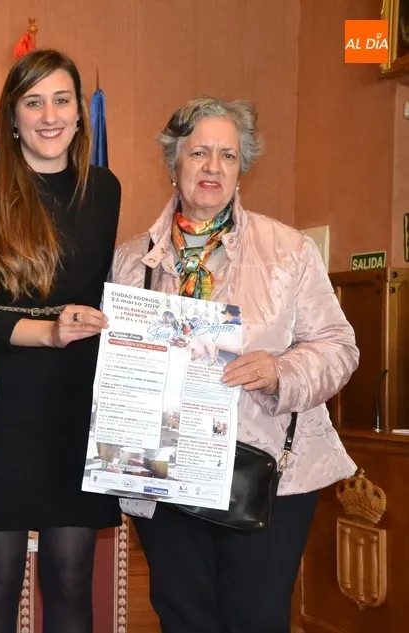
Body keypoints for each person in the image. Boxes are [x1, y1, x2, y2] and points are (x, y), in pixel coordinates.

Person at [110, 96, 358, 633]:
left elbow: (339, 346)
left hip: (266, 473)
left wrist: (281, 371)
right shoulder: (131, 259)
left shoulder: (288, 250)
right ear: (173, 163)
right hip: (164, 470)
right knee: (183, 617)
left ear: (242, 166)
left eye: (227, 155)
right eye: (199, 152)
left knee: (255, 618)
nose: (213, 167)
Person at [0, 48, 122, 633]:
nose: (50, 116)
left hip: (75, 406)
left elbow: (104, 292)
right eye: (34, 102)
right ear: (13, 116)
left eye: (62, 100)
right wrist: (47, 332)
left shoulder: (104, 190)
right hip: (0, 405)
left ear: (79, 112)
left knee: (71, 579)